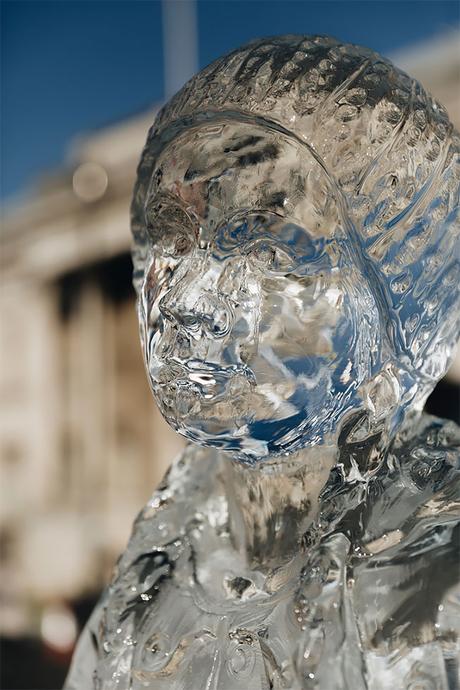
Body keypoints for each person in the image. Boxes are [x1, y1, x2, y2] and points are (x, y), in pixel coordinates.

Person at [65, 35, 460, 689]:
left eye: (254, 246)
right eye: (171, 243)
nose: (188, 300)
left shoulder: (436, 581)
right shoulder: (152, 577)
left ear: (399, 304)